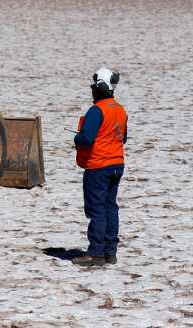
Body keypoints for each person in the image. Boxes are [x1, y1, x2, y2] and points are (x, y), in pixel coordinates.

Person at [71, 68, 128, 267]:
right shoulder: (120, 109)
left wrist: (77, 137)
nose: (92, 91)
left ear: (100, 88)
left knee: (97, 210)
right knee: (110, 208)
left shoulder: (97, 110)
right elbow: (123, 137)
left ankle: (95, 253)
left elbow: (86, 139)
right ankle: (110, 253)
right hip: (116, 165)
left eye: (94, 87)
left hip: (98, 167)